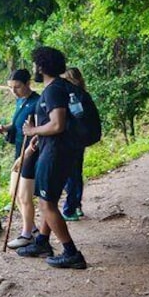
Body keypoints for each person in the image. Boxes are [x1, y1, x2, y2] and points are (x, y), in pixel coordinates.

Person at [17, 46, 87, 269]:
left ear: (42, 66)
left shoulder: (53, 89)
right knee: (50, 199)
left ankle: (71, 252)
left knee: (46, 202)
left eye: (36, 64)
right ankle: (42, 241)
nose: (34, 69)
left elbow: (57, 124)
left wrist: (33, 132)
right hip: (60, 149)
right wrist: (40, 135)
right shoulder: (62, 87)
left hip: (56, 152)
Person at [0, 69, 40, 249]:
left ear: (28, 83)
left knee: (24, 196)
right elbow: (18, 124)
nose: (14, 91)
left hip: (30, 154)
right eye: (11, 88)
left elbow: (38, 135)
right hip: (19, 152)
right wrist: (5, 128)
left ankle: (26, 234)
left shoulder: (37, 103)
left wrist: (25, 155)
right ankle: (34, 229)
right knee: (13, 193)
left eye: (18, 87)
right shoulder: (21, 101)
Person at [60, 67, 87, 221]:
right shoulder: (83, 94)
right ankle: (76, 206)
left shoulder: (72, 96)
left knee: (70, 176)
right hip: (80, 140)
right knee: (76, 174)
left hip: (71, 141)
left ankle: (70, 209)